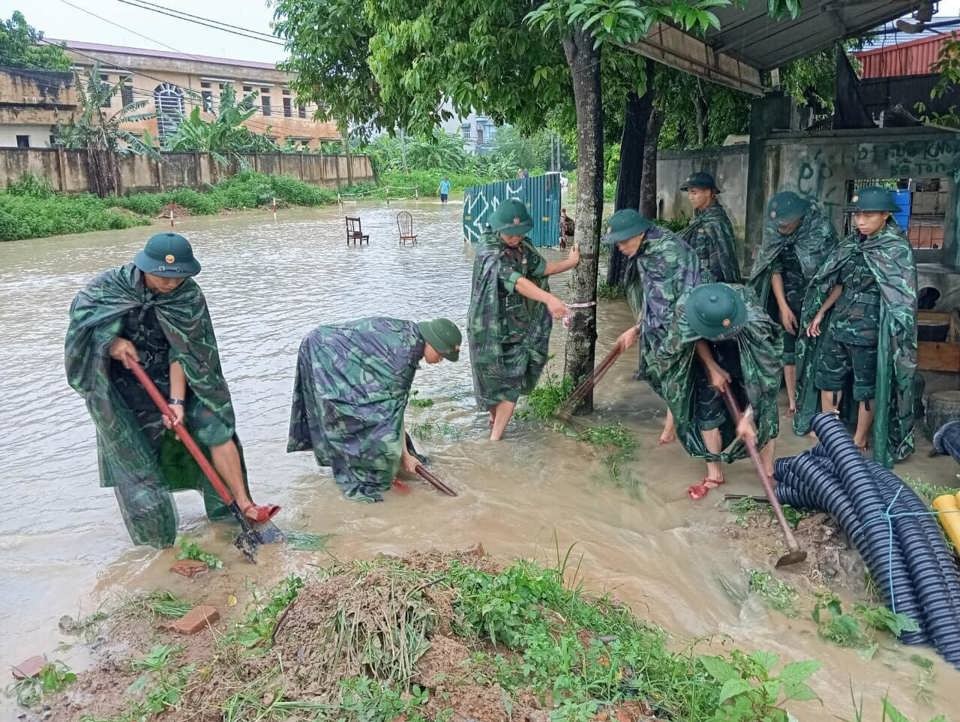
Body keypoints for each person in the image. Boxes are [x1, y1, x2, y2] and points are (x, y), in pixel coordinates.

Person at [65, 233, 279, 548]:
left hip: (181, 382)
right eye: (163, 276)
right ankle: (159, 547)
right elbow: (81, 334)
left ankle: (242, 508)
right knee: (139, 466)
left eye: (179, 276)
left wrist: (177, 402)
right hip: (125, 395)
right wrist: (110, 343)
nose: (171, 284)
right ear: (144, 266)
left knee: (217, 427)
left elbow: (186, 351)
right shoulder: (106, 290)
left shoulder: (187, 297)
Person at [794, 186, 918, 467]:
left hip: (870, 331)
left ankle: (859, 439)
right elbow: (840, 283)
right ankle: (829, 436)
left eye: (868, 215)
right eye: (857, 214)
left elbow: (901, 301)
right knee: (827, 378)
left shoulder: (895, 249)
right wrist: (820, 314)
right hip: (839, 324)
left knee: (866, 388)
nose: (860, 220)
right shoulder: (852, 244)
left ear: (886, 215)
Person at [287, 317, 462, 502]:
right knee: (360, 421)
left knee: (381, 427)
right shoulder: (404, 353)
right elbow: (392, 412)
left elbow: (394, 405)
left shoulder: (412, 336)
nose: (441, 360)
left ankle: (385, 466)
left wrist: (405, 453)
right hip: (325, 354)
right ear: (432, 342)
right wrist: (403, 455)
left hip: (334, 351)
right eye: (441, 355)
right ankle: (371, 475)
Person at [654, 283, 783, 500]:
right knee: (707, 410)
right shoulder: (687, 307)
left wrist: (747, 416)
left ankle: (768, 471)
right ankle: (714, 474)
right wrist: (713, 367)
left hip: (744, 348)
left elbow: (767, 385)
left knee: (764, 419)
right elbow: (688, 340)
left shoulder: (756, 326)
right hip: (707, 350)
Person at [468, 198, 579, 440]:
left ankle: (495, 439)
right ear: (499, 228)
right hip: (487, 328)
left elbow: (540, 269)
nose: (515, 238)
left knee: (513, 380)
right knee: (490, 378)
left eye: (519, 233)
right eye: (510, 234)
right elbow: (517, 281)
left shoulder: (523, 247)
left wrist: (570, 263)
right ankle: (494, 425)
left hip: (518, 327)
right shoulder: (489, 251)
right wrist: (549, 300)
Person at [603, 209, 700, 445]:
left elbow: (687, 297)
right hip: (657, 326)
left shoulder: (670, 251)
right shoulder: (645, 250)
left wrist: (676, 339)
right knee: (660, 375)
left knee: (676, 376)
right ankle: (674, 425)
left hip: (680, 327)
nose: (620, 248)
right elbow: (652, 296)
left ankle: (676, 432)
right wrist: (637, 329)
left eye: (622, 241)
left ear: (639, 233)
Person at [748, 191, 837, 415]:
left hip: (816, 301)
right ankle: (793, 401)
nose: (781, 228)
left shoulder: (820, 231)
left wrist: (820, 309)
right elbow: (773, 268)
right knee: (788, 351)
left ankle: (814, 402)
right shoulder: (775, 231)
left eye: (786, 224)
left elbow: (832, 273)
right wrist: (783, 307)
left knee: (814, 351)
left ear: (800, 217)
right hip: (788, 299)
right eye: (778, 224)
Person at [679, 172, 741, 284]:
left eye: (694, 193)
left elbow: (725, 260)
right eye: (689, 193)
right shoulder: (697, 220)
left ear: (707, 192)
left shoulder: (717, 221)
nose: (690, 197)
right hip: (693, 279)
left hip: (711, 285)